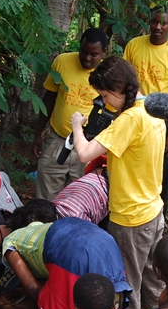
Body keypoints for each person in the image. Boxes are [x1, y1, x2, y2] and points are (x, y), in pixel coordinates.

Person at [70, 56, 166, 309]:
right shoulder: (151, 107)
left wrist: (78, 126)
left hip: (130, 218)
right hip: (153, 210)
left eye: (104, 95)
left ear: (118, 88)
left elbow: (85, 153)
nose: (105, 102)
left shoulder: (130, 119)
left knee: (128, 289)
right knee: (152, 285)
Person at [1, 217, 131, 309]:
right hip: (106, 243)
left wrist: (46, 300)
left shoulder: (9, 242)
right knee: (108, 301)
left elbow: (32, 287)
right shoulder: (37, 227)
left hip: (71, 253)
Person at [123, 8, 168, 211]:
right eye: (154, 22)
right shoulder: (134, 45)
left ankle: (157, 214)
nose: (158, 27)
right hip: (135, 114)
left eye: (164, 23)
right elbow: (124, 79)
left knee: (159, 171)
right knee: (132, 164)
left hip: (161, 119)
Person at [32, 28, 110, 199]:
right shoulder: (62, 62)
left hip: (90, 146)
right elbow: (49, 97)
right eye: (83, 51)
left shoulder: (109, 74)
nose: (87, 58)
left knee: (81, 200)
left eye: (94, 54)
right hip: (58, 140)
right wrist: (38, 133)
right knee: (45, 199)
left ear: (104, 52)